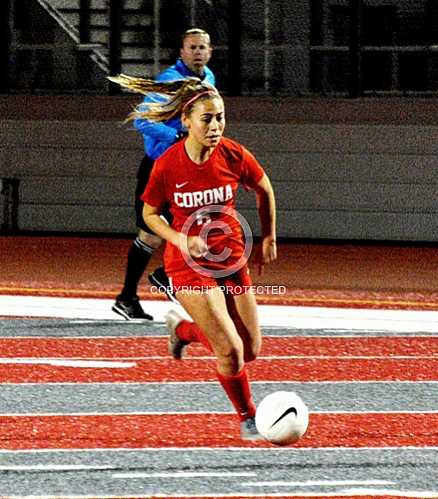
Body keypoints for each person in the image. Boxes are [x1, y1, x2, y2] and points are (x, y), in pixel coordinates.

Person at [109, 75, 277, 440]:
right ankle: (248, 417)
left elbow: (264, 188)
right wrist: (181, 240)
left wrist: (269, 237)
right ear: (186, 121)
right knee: (229, 349)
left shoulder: (233, 153)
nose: (215, 126)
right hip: (187, 266)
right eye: (207, 118)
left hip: (229, 259)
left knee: (250, 350)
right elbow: (150, 216)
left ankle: (181, 330)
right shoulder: (168, 164)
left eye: (220, 117)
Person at [112, 28, 215, 321]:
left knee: (197, 223)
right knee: (151, 233)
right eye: (192, 47)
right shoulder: (170, 82)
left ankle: (159, 279)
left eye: (202, 47)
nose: (197, 52)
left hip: (186, 168)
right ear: (181, 52)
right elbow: (144, 121)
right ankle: (132, 294)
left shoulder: (209, 79)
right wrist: (176, 137)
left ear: (210, 52)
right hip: (160, 168)